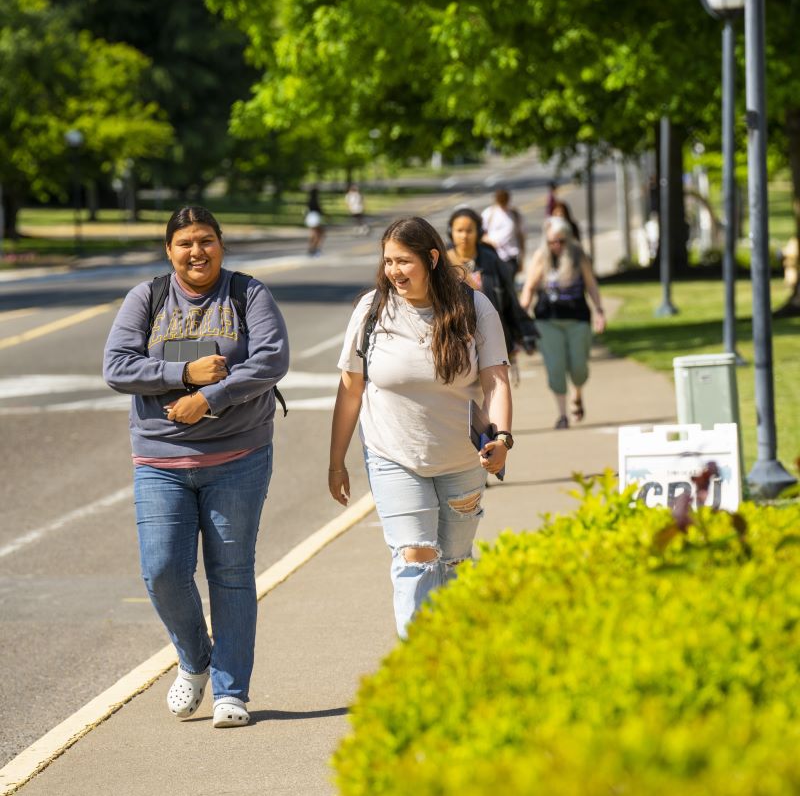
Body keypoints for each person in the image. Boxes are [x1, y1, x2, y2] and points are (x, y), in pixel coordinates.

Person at [103, 206, 290, 728]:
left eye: (206, 241)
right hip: (160, 461)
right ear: (169, 251)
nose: (196, 252)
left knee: (230, 573)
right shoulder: (147, 297)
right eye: (185, 243)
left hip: (239, 456)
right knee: (162, 570)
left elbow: (271, 360)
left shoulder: (248, 294)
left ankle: (231, 691)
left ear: (221, 245)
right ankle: (196, 657)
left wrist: (209, 398)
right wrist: (182, 372)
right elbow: (116, 366)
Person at [328, 217, 513, 637]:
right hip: (393, 456)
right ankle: (420, 662)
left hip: (461, 459)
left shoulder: (473, 307)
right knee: (416, 556)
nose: (394, 271)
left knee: (454, 561)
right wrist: (336, 461)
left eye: (403, 261)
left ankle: (458, 652)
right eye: (388, 261)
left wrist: (502, 438)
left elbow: (496, 381)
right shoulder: (371, 310)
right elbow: (350, 389)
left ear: (431, 258)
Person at [519, 216, 606, 430]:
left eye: (560, 241)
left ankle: (577, 393)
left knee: (578, 367)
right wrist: (521, 317)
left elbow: (591, 285)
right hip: (548, 321)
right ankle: (562, 415)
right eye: (551, 242)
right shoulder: (541, 257)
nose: (556, 246)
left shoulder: (578, 256)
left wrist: (599, 311)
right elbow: (529, 287)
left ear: (568, 239)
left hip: (577, 319)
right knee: (555, 367)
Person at [447, 207, 536, 359]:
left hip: (491, 336)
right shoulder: (442, 262)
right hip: (456, 339)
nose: (464, 236)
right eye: (459, 230)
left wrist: (522, 333)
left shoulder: (492, 260)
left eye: (469, 230)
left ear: (479, 232)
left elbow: (509, 300)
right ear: (451, 232)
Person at [481, 189, 526, 277]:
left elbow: (521, 237)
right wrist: (490, 242)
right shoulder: (489, 213)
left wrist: (522, 259)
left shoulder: (515, 214)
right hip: (494, 255)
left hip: (510, 256)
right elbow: (481, 234)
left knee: (508, 284)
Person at [305, 186, 325, 256]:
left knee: (313, 233)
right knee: (319, 234)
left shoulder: (308, 200)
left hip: (309, 217)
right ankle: (315, 248)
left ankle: (311, 248)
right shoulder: (316, 200)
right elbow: (319, 210)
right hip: (315, 217)